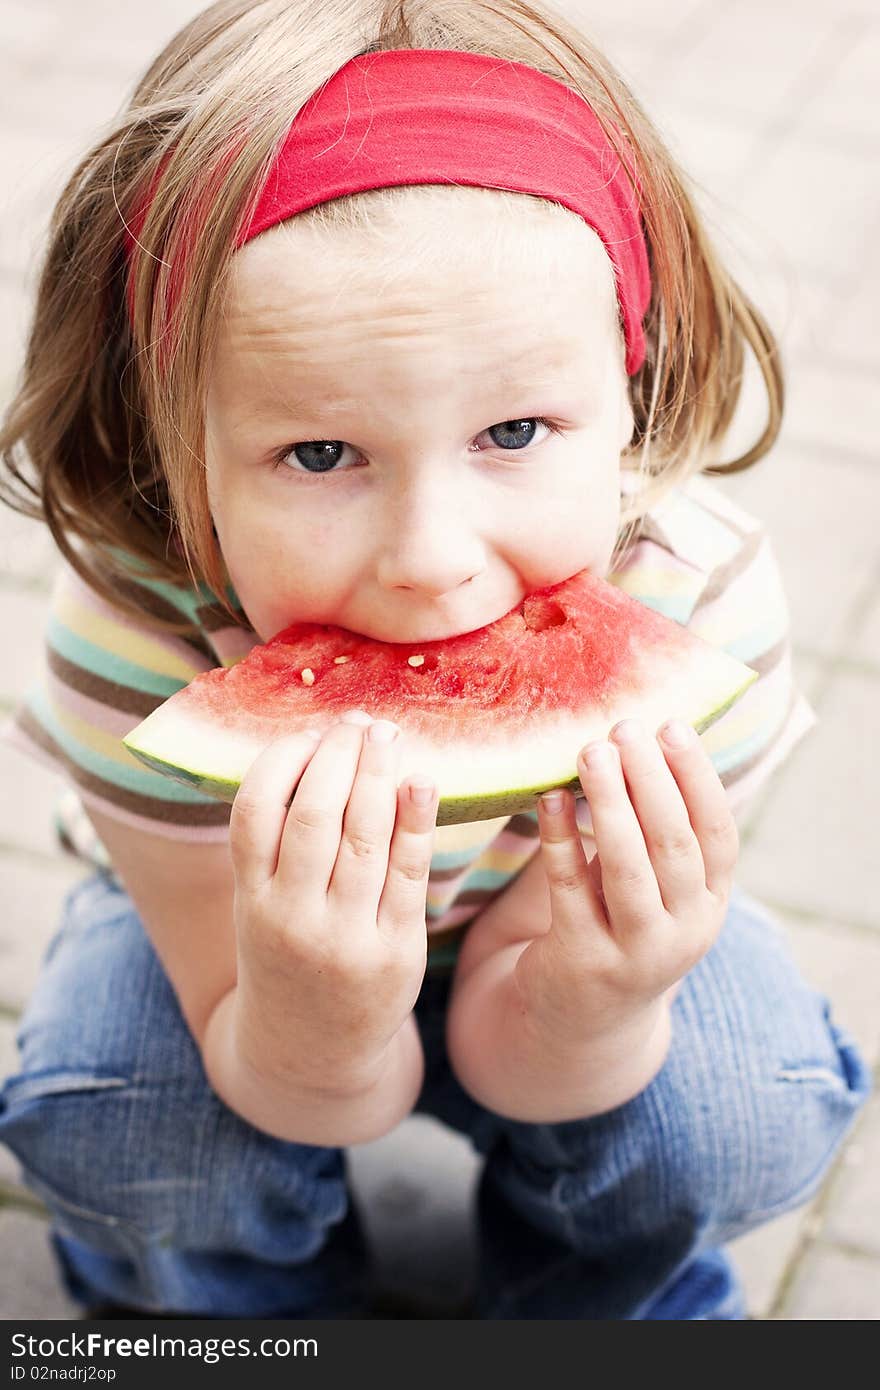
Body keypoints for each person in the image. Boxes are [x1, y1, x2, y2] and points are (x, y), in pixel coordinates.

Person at [0, 0, 869, 1321]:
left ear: (631, 384)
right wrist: (309, 1009)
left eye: (514, 429)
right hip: (239, 955)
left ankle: (596, 1299)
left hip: (569, 939)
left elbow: (544, 1039)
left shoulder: (702, 606)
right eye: (320, 455)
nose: (430, 557)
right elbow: (268, 1045)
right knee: (124, 1120)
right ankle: (227, 1314)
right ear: (174, 436)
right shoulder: (142, 642)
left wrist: (601, 995)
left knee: (741, 1100)